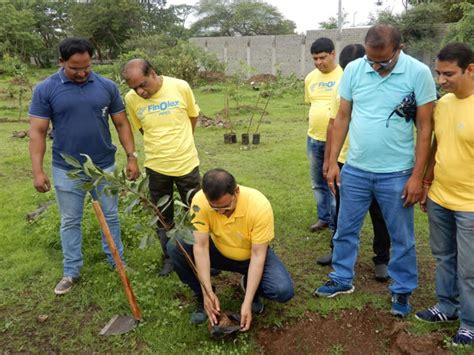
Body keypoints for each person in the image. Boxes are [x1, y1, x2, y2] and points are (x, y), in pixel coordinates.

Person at [314, 25, 436, 318]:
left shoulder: (418, 73)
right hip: (355, 169)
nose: (376, 65)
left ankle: (402, 289)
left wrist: (417, 176)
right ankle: (342, 278)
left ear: (399, 48)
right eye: (371, 59)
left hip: (397, 172)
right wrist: (332, 162)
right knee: (345, 228)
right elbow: (342, 117)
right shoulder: (355, 69)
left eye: (382, 60)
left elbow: (425, 128)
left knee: (401, 236)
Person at [29, 37, 140, 295]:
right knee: (70, 220)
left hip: (104, 167)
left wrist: (132, 156)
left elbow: (122, 123)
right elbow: (37, 131)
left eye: (86, 67)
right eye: (74, 67)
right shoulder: (46, 89)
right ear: (61, 62)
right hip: (67, 169)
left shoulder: (107, 86)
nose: (81, 73)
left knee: (111, 216)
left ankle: (117, 262)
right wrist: (37, 170)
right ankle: (71, 271)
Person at [168, 169, 294, 330]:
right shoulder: (200, 201)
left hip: (251, 256)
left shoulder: (258, 205)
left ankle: (251, 288)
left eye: (227, 207)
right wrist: (206, 291)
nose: (221, 212)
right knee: (176, 246)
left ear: (236, 192)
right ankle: (203, 299)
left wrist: (247, 303)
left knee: (282, 290)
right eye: (215, 208)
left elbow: (258, 254)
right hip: (219, 251)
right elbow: (201, 246)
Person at [415, 43, 474, 346]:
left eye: (448, 74)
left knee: (469, 268)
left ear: (470, 69)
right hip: (440, 197)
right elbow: (438, 144)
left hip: (470, 205)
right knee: (443, 257)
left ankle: (470, 322)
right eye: (438, 73)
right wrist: (427, 183)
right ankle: (446, 307)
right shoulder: (445, 104)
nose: (441, 80)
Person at [318, 44, 391, 283]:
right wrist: (330, 162)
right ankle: (338, 250)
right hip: (345, 161)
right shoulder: (340, 86)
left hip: (374, 163)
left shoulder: (381, 87)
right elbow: (332, 124)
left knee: (379, 214)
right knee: (341, 211)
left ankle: (382, 258)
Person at [122, 59, 201, 276]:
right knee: (163, 216)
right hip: (156, 167)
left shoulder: (180, 87)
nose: (140, 91)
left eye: (143, 84)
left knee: (196, 212)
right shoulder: (131, 99)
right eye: (134, 88)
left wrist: (181, 141)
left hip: (187, 164)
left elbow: (193, 117)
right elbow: (143, 130)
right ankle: (170, 257)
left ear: (154, 73)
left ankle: (200, 255)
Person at [305, 38, 343, 234]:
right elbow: (311, 104)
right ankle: (324, 218)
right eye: (315, 59)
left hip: (337, 141)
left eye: (322, 57)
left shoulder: (344, 75)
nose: (319, 62)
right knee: (317, 182)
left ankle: (336, 224)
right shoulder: (310, 78)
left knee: (334, 183)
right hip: (313, 139)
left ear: (333, 54)